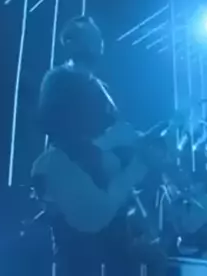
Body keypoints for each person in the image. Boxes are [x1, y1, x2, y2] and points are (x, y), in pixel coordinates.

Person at [30, 15, 165, 276]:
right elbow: (50, 125)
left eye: (97, 37)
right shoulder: (58, 80)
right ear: (71, 42)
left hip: (108, 193)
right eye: (89, 37)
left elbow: (114, 133)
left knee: (120, 261)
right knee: (77, 263)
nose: (97, 43)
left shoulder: (101, 87)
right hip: (75, 187)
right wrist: (101, 144)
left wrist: (139, 142)